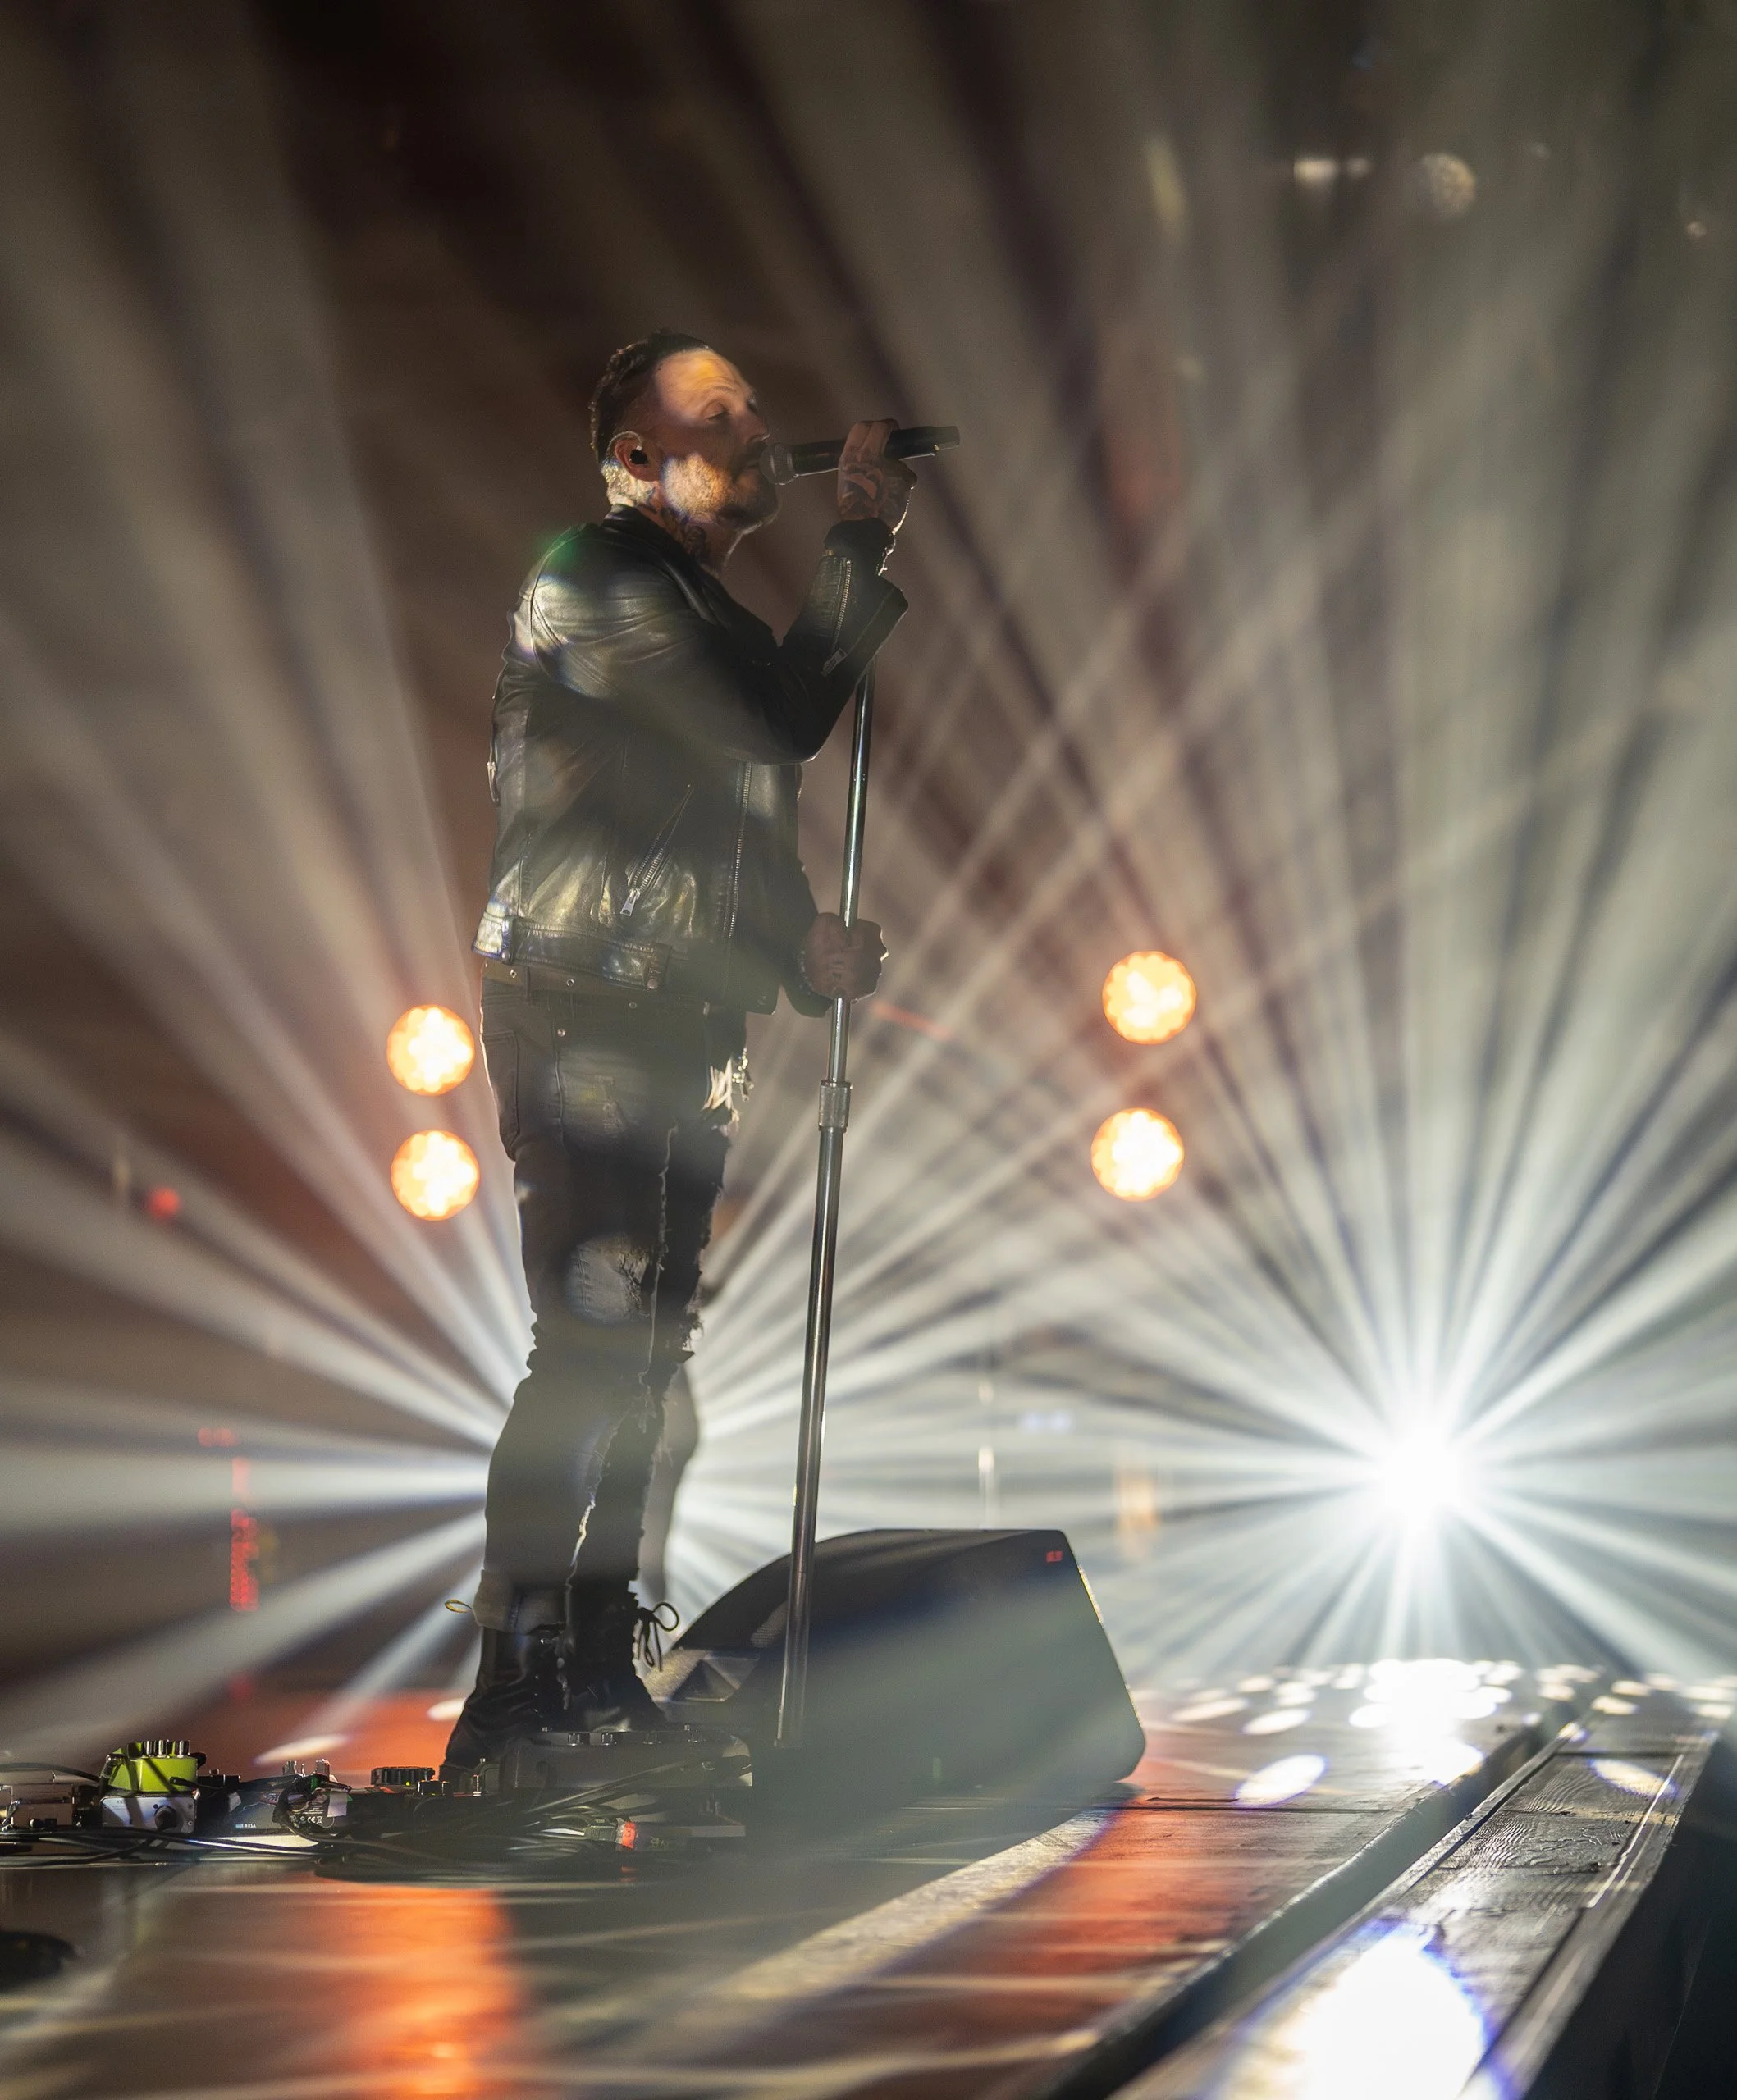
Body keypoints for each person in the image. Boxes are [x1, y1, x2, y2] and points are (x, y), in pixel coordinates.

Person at [446, 331, 915, 1769]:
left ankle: (590, 1672)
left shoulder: (692, 605)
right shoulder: (593, 581)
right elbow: (767, 721)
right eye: (716, 412)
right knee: (590, 1351)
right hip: (582, 1006)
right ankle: (511, 1692)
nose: (755, 425)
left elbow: (731, 816)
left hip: (675, 1021)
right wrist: (855, 541)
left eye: (755, 405)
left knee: (648, 1358)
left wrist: (798, 950)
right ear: (635, 455)